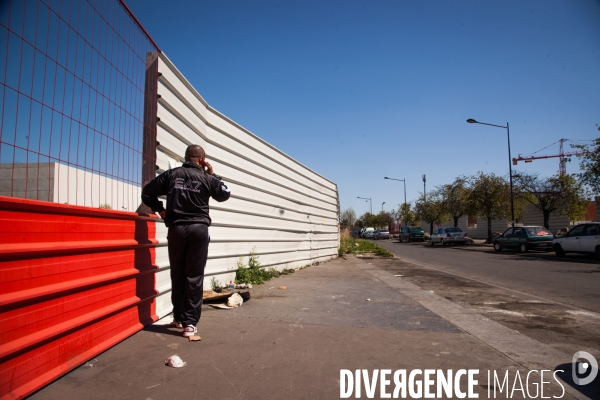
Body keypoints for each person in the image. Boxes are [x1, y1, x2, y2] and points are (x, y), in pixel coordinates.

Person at [141, 144, 231, 337]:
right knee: (194, 276)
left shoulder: (171, 175)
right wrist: (213, 174)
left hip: (176, 229)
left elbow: (147, 192)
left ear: (186, 158)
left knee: (178, 273)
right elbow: (225, 193)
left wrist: (161, 209)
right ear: (202, 160)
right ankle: (190, 324)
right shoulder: (207, 178)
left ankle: (179, 317)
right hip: (198, 230)